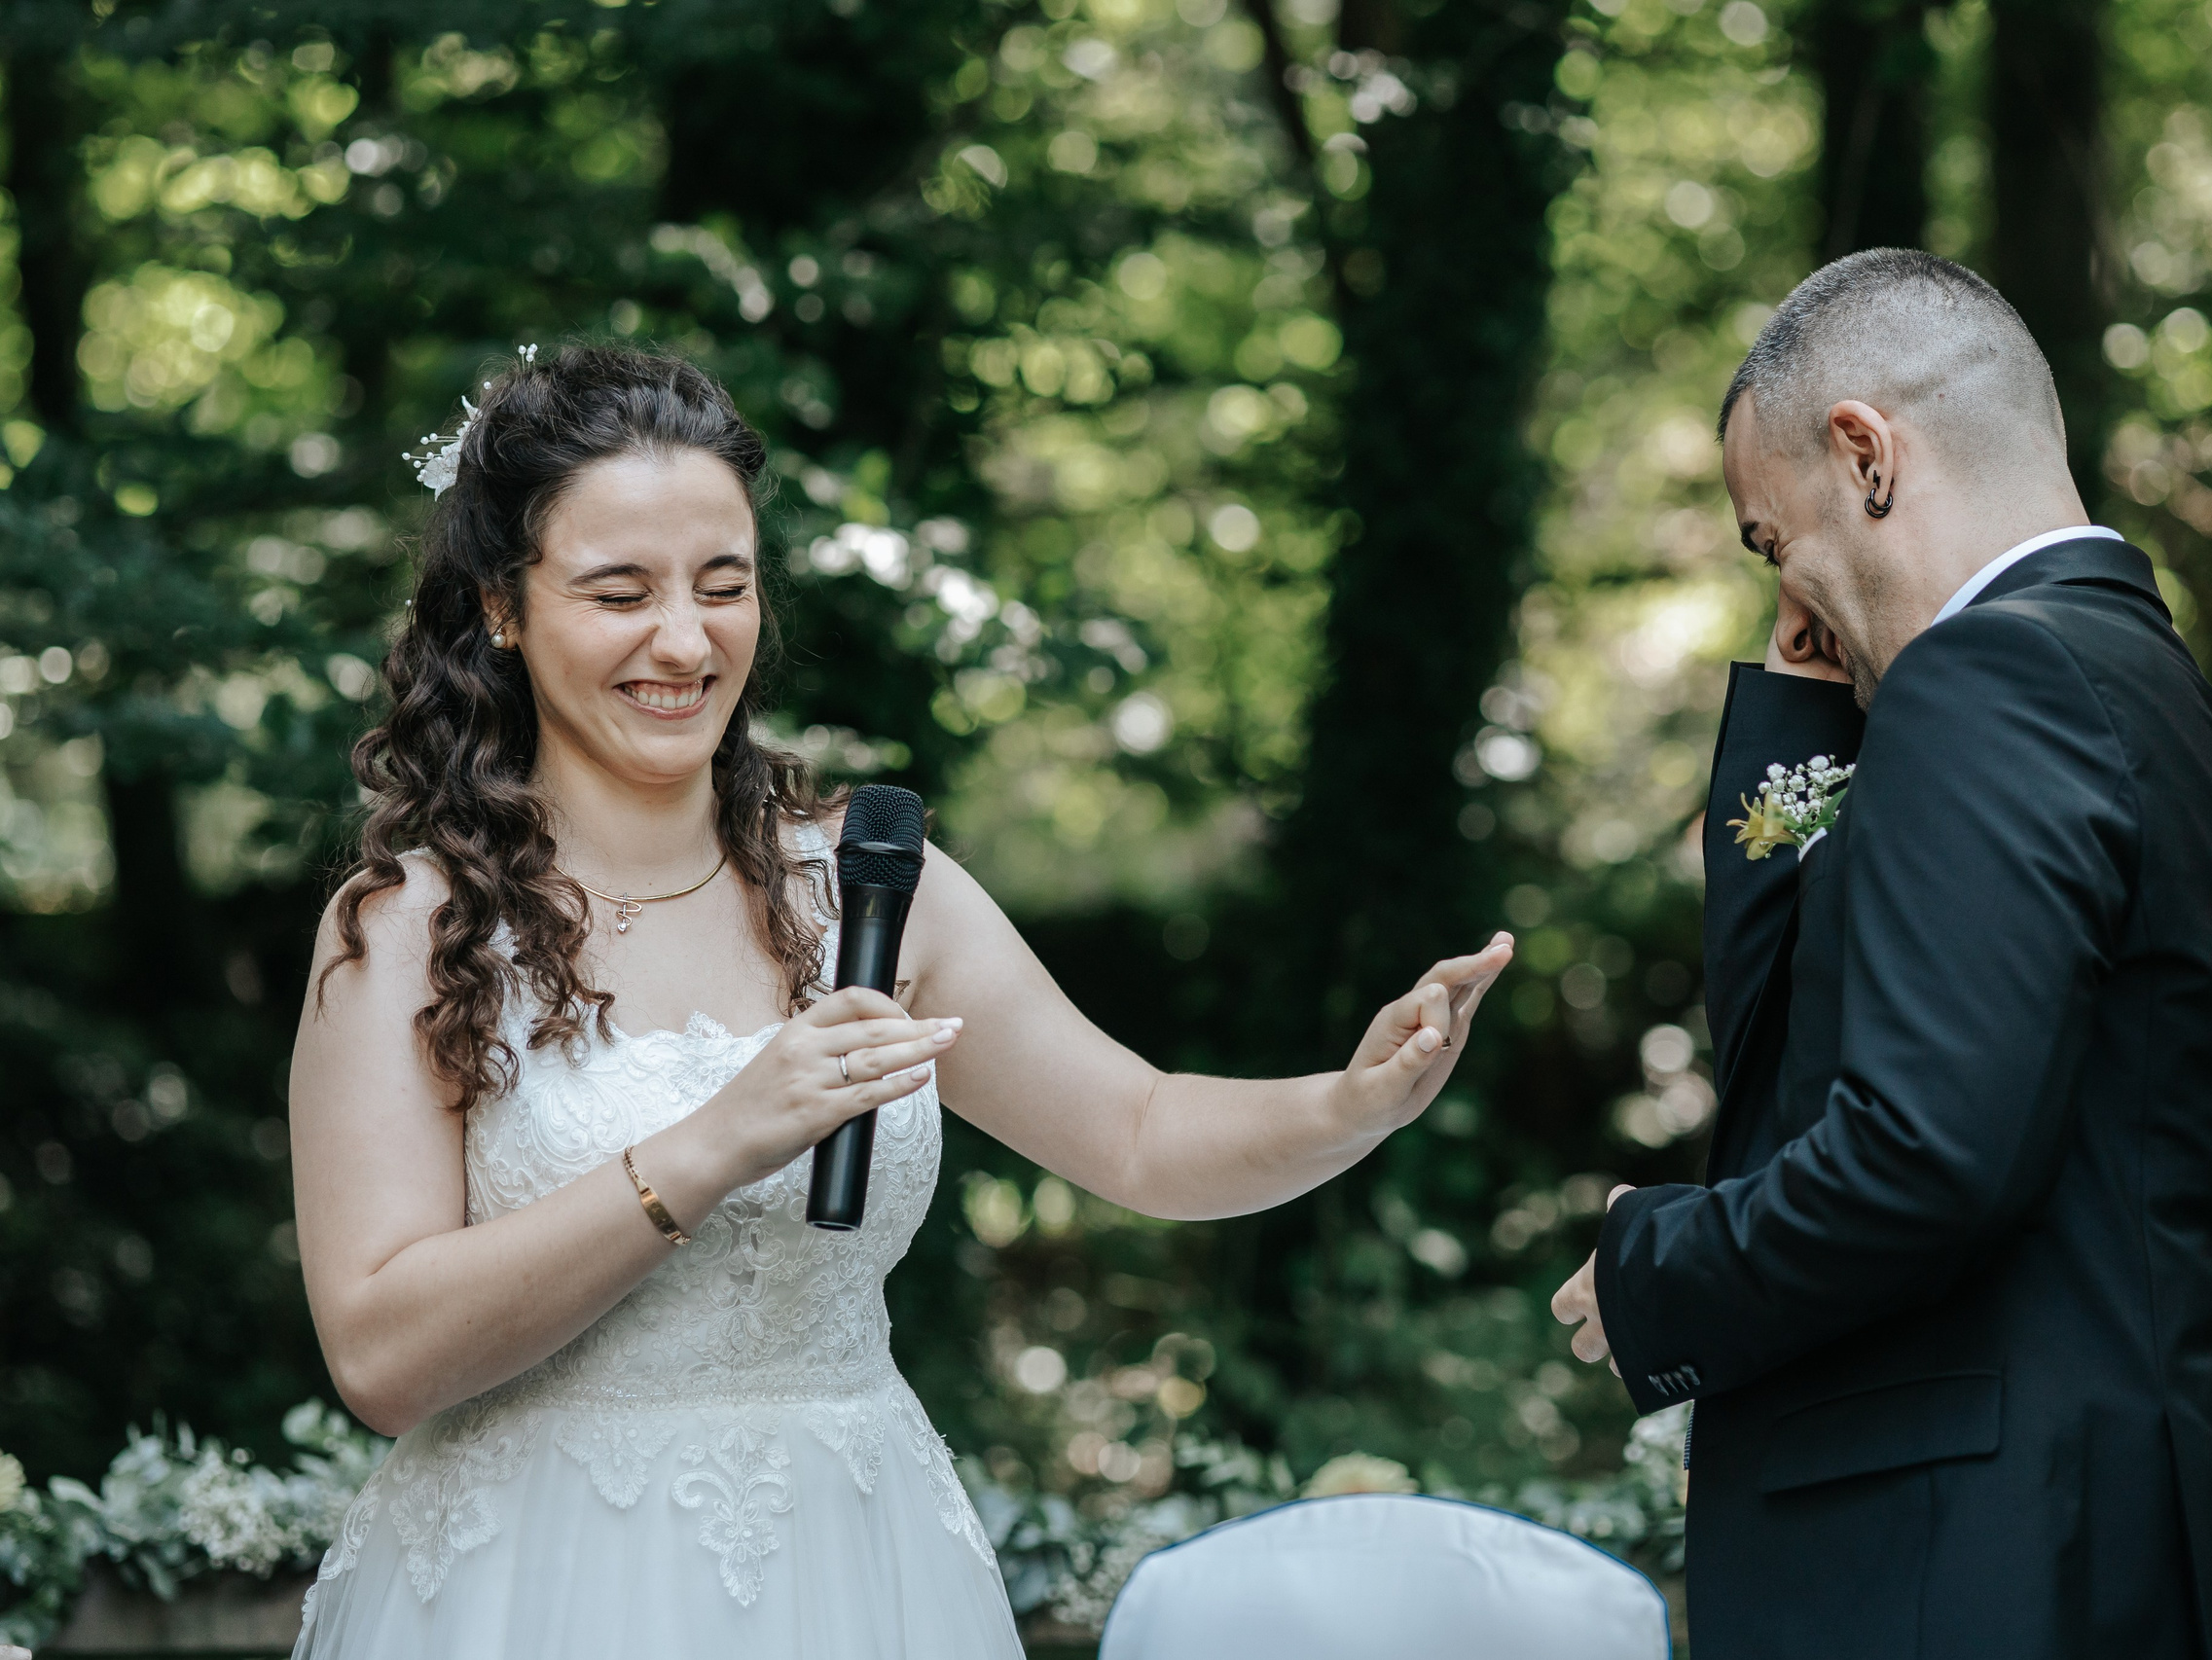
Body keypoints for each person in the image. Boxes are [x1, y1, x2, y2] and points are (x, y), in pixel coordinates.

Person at [287, 343, 1512, 1658]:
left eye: (724, 586)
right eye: (619, 592)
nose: (686, 640)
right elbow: (380, 1357)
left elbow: (1141, 1133)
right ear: (503, 608)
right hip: (533, 1591)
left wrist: (1353, 1103)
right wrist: (710, 1146)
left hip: (854, 1575)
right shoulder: (411, 929)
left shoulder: (872, 886)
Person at [1553, 250, 2212, 1659]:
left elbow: (1924, 1157)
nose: (1791, 596)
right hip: (2134, 1528)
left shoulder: (1984, 680)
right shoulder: (2159, 695)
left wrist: (1656, 1267)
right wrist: (1800, 714)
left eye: (1773, 540)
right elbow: (1793, 1062)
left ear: (1866, 455)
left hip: (1974, 1567)